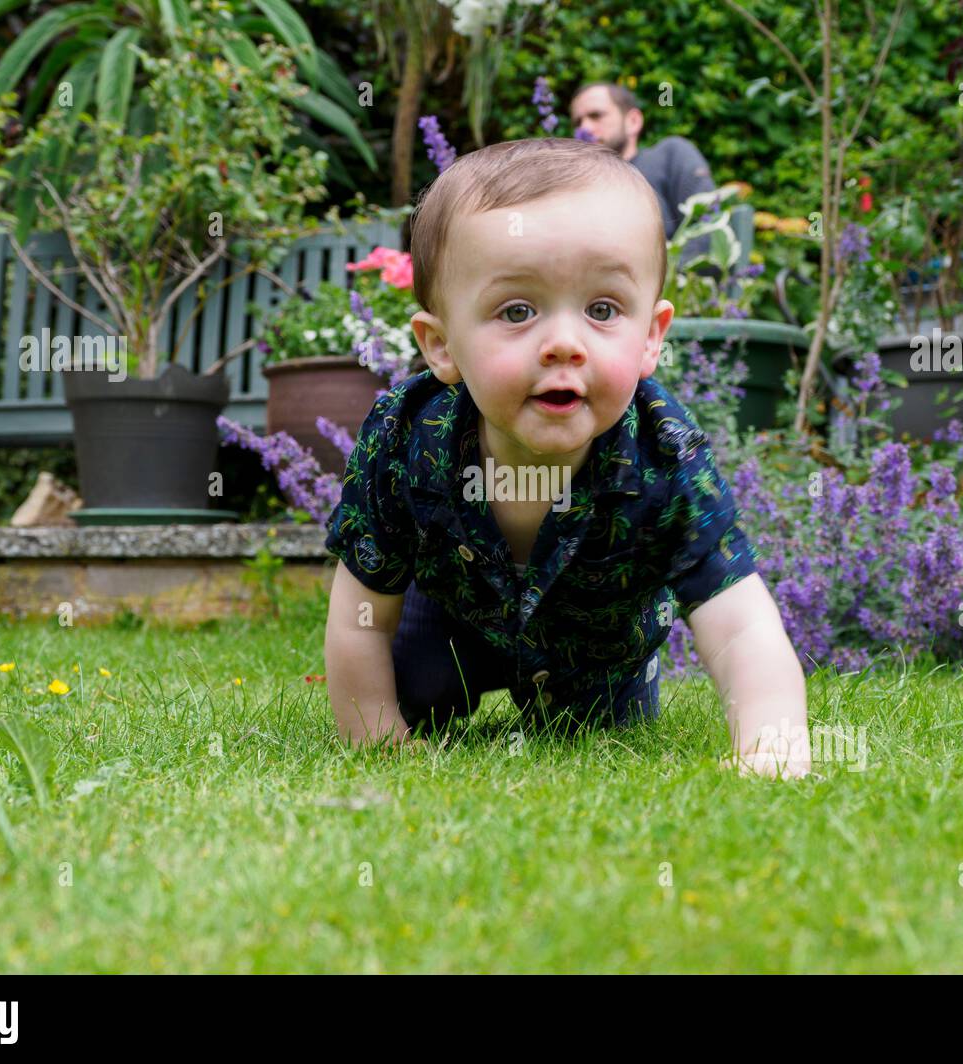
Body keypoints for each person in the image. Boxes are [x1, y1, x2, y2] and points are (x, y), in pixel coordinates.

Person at [323, 137, 807, 777]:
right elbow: (361, 615)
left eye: (602, 309)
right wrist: (376, 740)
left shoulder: (664, 454)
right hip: (451, 616)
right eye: (517, 311)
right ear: (441, 346)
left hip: (600, 645)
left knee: (600, 732)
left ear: (651, 337)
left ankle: (583, 697)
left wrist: (771, 746)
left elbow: (739, 622)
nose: (564, 344)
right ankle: (431, 691)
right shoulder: (408, 437)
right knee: (416, 689)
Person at [569, 82, 721, 267]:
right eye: (578, 122)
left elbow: (706, 228)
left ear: (633, 121)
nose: (585, 128)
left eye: (596, 116)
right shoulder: (576, 188)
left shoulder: (669, 156)